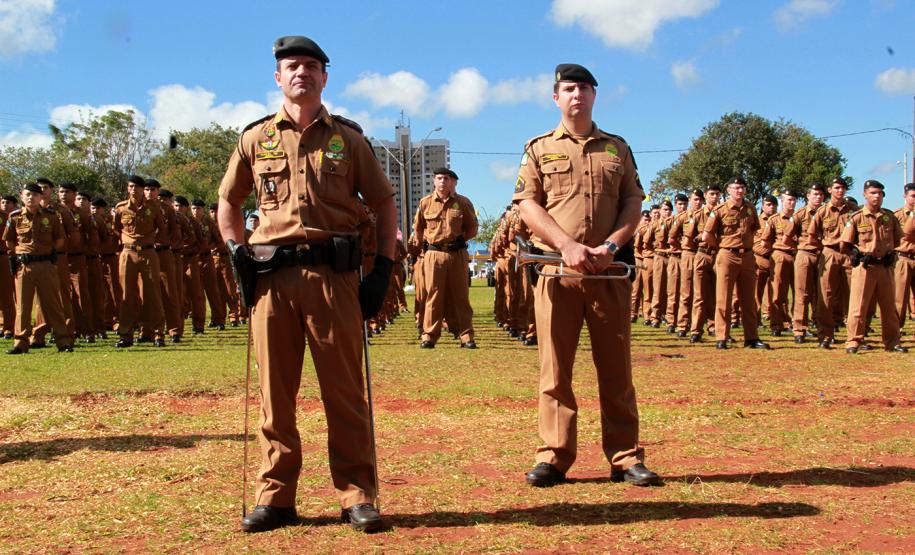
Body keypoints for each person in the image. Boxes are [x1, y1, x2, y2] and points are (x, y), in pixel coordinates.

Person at [217, 35, 397, 533]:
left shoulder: (348, 139)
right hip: (271, 280)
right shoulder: (254, 139)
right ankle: (275, 497)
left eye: (312, 66)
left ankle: (357, 494)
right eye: (293, 66)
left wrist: (382, 266)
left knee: (344, 392)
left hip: (332, 278)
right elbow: (228, 202)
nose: (302, 73)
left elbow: (383, 203)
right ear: (278, 77)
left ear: (325, 77)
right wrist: (236, 251)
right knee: (275, 395)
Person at [514, 63, 660, 488]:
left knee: (616, 369)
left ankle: (625, 456)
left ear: (595, 96)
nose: (576, 95)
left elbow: (633, 203)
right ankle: (554, 456)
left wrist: (611, 246)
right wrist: (568, 246)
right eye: (568, 89)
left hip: (608, 273)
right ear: (555, 98)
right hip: (558, 273)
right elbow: (528, 205)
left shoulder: (617, 149)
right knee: (554, 371)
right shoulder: (539, 149)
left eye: (584, 88)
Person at [3, 183, 74, 354]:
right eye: (28, 194)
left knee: (53, 304)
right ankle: (20, 343)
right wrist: (21, 253)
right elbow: (9, 241)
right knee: (23, 306)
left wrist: (49, 252)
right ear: (21, 196)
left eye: (35, 195)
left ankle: (63, 341)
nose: (31, 198)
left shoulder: (51, 216)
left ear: (41, 197)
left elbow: (60, 239)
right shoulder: (14, 217)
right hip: (24, 266)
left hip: (46, 265)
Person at [413, 167, 478, 348]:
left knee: (460, 295)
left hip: (457, 253)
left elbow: (473, 227)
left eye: (447, 179)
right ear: (434, 181)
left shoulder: (463, 203)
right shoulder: (425, 203)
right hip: (433, 253)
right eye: (440, 178)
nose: (443, 181)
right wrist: (421, 248)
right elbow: (418, 228)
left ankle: (466, 335)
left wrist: (462, 240)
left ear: (454, 182)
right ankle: (429, 335)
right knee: (433, 295)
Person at [702, 177, 769, 350]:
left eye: (742, 188)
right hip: (727, 255)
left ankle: (751, 338)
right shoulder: (720, 210)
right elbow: (707, 235)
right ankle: (721, 337)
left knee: (749, 299)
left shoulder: (750, 208)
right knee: (724, 298)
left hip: (747, 256)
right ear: (729, 190)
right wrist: (720, 248)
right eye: (736, 188)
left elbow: (755, 229)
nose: (740, 191)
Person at [841, 180, 907, 353]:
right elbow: (845, 244)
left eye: (879, 193)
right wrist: (855, 256)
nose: (877, 196)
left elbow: (900, 239)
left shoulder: (889, 217)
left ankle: (892, 342)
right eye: (873, 193)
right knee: (858, 307)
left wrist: (891, 253)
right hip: (865, 267)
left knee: (889, 308)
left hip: (885, 268)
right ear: (865, 194)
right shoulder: (856, 218)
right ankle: (853, 341)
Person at [113, 175, 167, 348]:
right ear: (127, 188)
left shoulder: (154, 207)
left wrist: (149, 241)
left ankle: (157, 333)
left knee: (152, 293)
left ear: (143, 189)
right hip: (127, 253)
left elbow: (162, 229)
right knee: (126, 294)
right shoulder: (121, 208)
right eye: (130, 186)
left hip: (148, 253)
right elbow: (116, 229)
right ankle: (126, 335)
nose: (133, 190)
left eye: (137, 187)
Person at [895, 183, 915, 333]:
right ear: (905, 197)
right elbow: (904, 235)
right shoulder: (897, 216)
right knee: (900, 297)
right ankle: (896, 328)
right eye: (913, 196)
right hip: (903, 258)